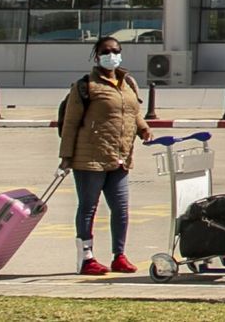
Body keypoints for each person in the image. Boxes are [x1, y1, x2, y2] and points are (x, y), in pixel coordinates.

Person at [58, 37, 151, 276]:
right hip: (90, 158)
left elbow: (132, 111)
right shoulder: (86, 85)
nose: (112, 55)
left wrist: (143, 129)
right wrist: (66, 156)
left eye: (116, 51)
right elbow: (70, 123)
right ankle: (86, 258)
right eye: (106, 51)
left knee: (121, 209)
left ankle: (119, 256)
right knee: (88, 207)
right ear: (96, 56)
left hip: (120, 157)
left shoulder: (126, 82)